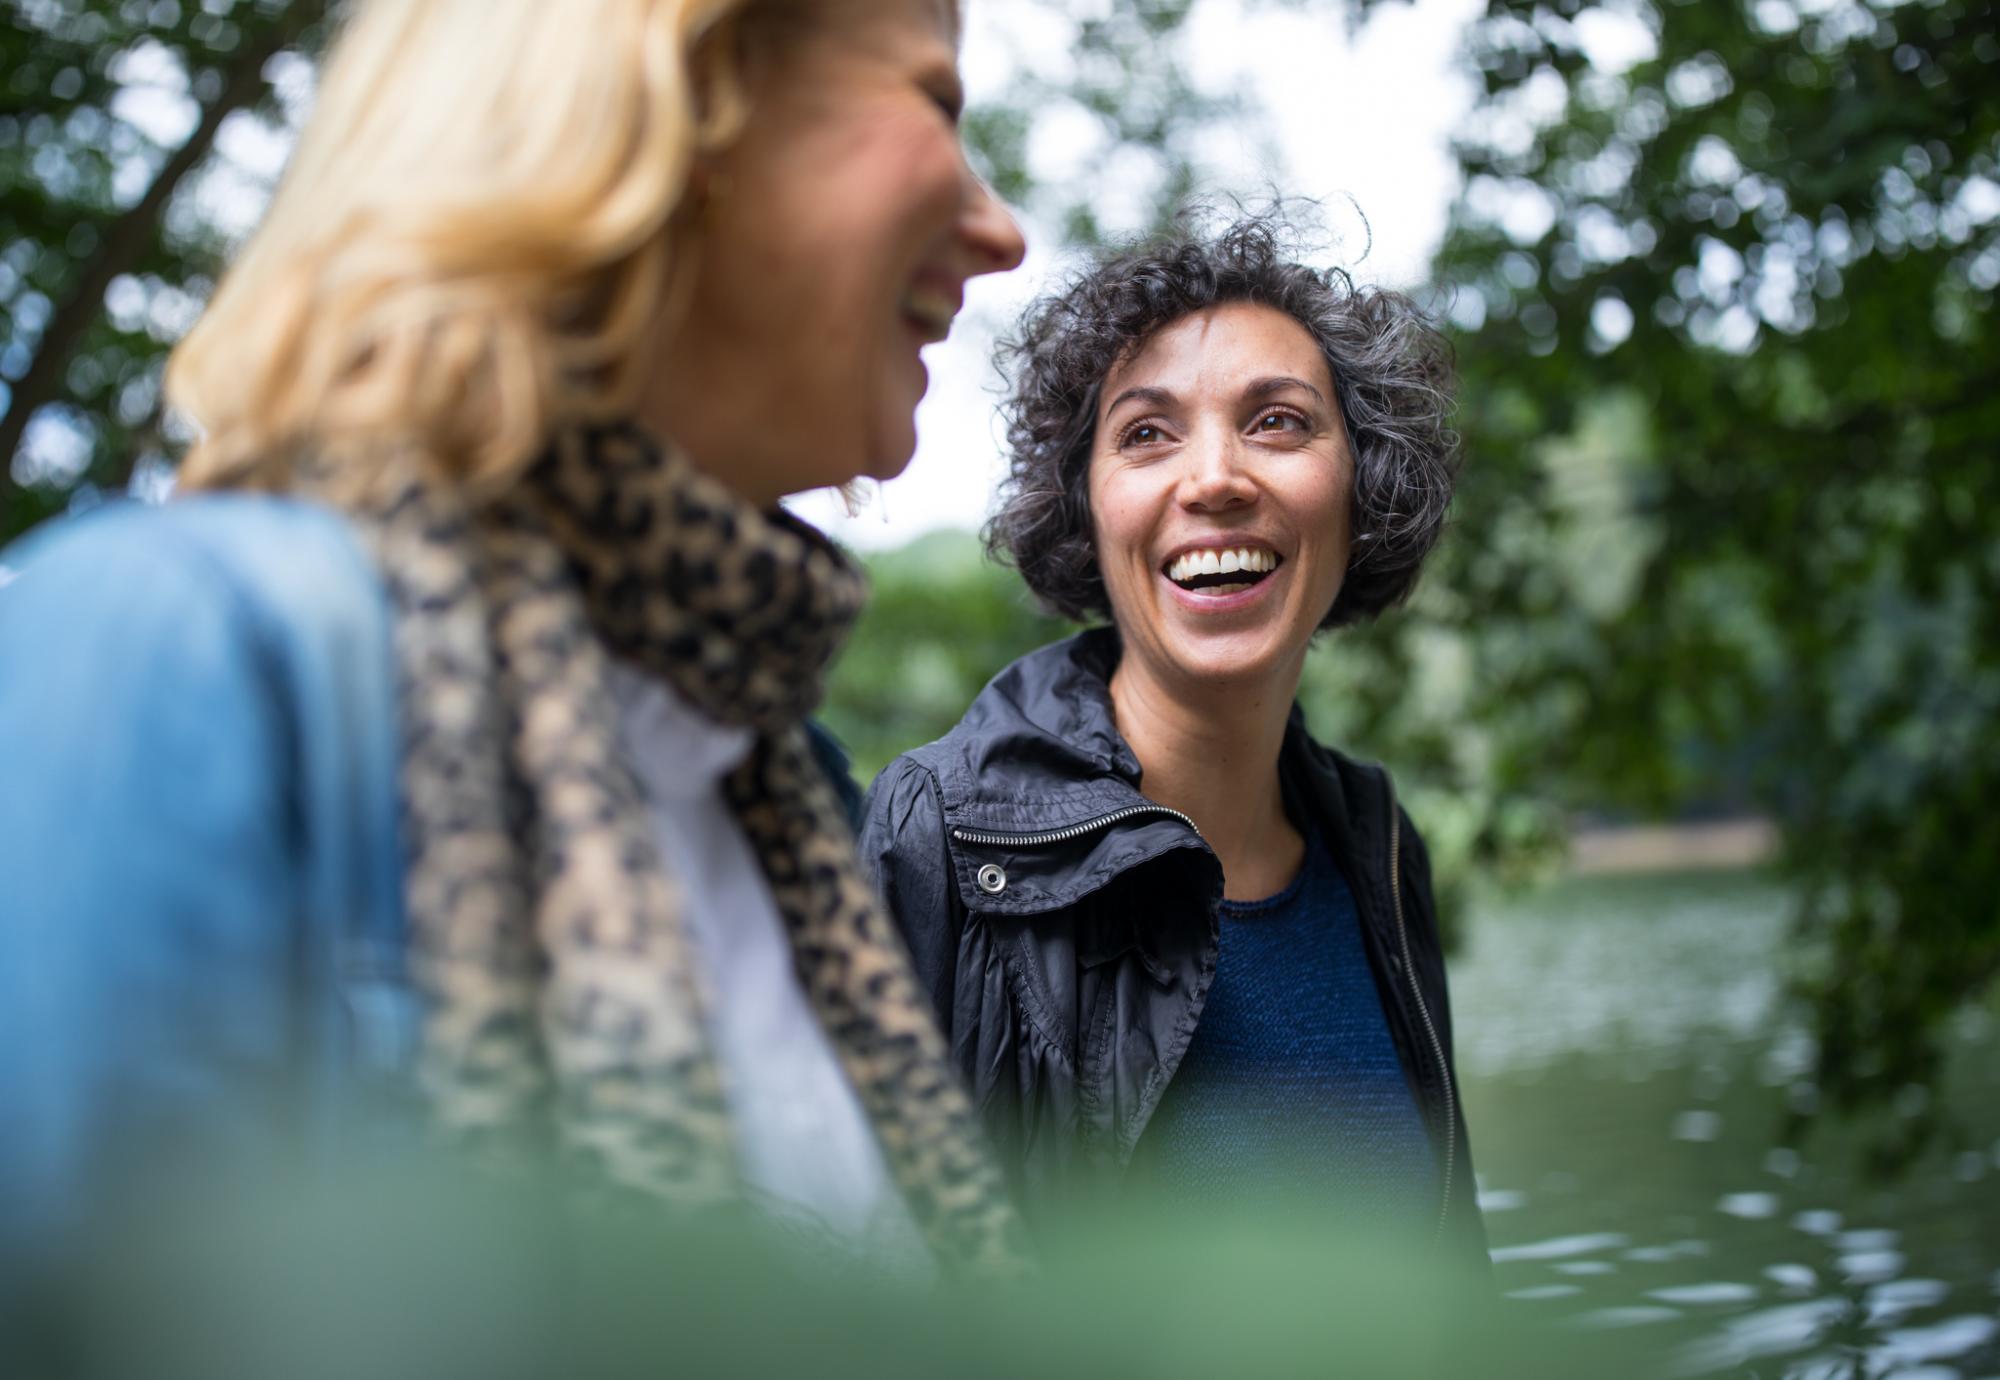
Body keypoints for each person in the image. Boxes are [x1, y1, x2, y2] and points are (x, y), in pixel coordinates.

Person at [0, 0, 1026, 1274]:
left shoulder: (782, 790)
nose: (1001, 230)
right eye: (935, 102)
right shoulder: (170, 653)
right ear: (676, 103)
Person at [859, 216, 1488, 1265]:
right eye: (1146, 433)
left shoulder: (1377, 844)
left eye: (1278, 423)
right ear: (1086, 509)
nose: (1213, 479)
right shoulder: (941, 839)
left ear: (1360, 493)